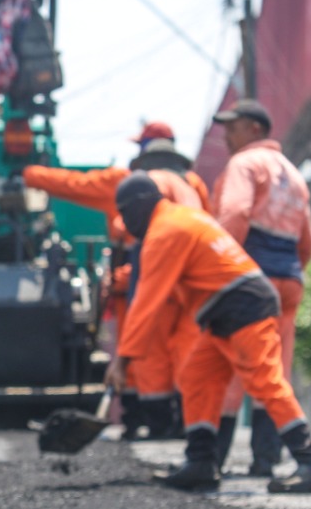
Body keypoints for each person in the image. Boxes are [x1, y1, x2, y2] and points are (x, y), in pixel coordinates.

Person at [106, 172, 311, 494]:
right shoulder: (183, 217)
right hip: (226, 309)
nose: (125, 225)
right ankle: (200, 463)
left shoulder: (164, 232)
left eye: (125, 214)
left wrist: (123, 361)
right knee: (197, 377)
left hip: (243, 303)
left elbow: (147, 301)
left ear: (140, 206)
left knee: (265, 381)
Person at [24, 134, 208, 440]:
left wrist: (29, 174)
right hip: (189, 279)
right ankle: (175, 420)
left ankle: (155, 423)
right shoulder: (194, 185)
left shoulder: (132, 184)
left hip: (148, 270)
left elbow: (75, 184)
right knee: (184, 350)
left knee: (147, 351)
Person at [211, 99, 311, 476]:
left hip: (251, 278)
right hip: (288, 279)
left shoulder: (244, 164)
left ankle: (212, 457)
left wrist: (220, 267)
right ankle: (266, 458)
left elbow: (235, 213)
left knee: (230, 367)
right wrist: (291, 273)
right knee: (276, 370)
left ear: (254, 130)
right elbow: (308, 241)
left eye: (233, 127)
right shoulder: (293, 174)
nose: (226, 136)